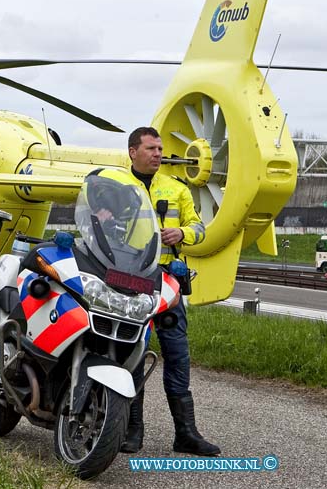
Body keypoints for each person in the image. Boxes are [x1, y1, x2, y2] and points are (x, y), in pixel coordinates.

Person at [117, 126, 219, 457]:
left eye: (160, 148)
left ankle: (186, 434)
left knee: (178, 354)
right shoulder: (117, 188)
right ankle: (132, 430)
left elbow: (200, 228)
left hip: (169, 282)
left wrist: (183, 232)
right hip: (131, 280)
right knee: (131, 352)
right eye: (151, 148)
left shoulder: (177, 189)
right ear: (133, 151)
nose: (158, 154)